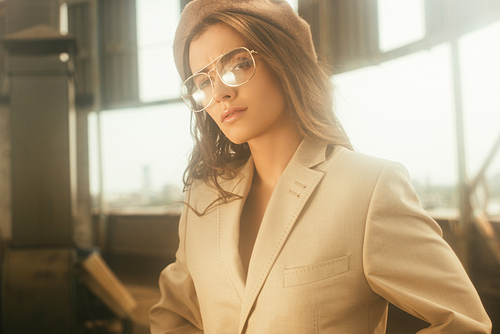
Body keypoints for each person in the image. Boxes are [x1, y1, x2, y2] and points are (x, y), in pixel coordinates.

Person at [150, 0, 492, 333]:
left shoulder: (369, 188)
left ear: (283, 59)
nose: (220, 92)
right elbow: (174, 316)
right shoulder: (202, 199)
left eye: (237, 64)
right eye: (203, 82)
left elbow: (463, 323)